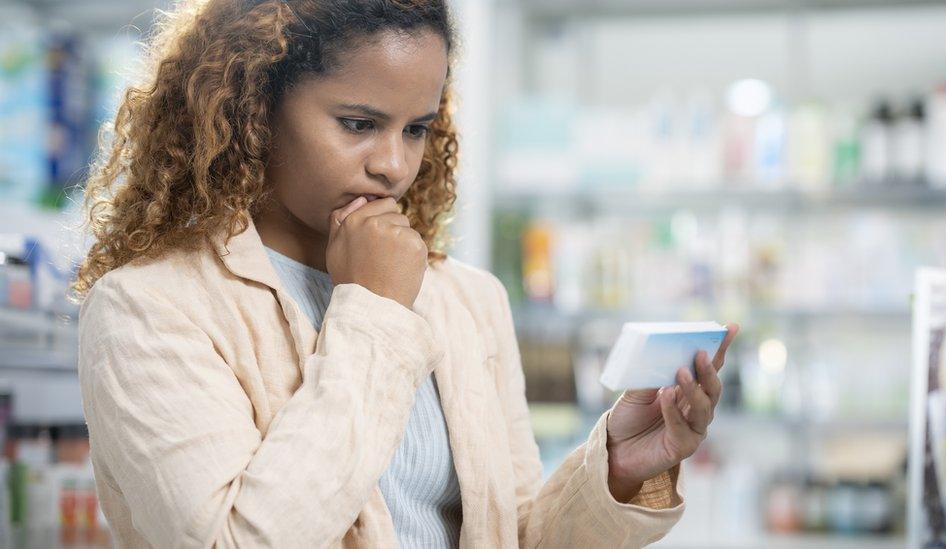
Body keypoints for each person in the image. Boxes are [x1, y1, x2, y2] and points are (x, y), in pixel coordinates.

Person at [71, 0, 739, 547]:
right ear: (255, 108)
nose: (393, 164)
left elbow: (512, 532)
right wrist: (375, 312)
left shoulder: (467, 299)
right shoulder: (149, 308)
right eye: (358, 123)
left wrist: (619, 466)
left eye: (416, 128)